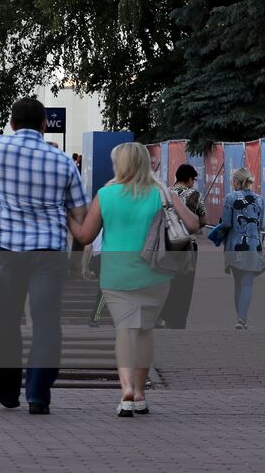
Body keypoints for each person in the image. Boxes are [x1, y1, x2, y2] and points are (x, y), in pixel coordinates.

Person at [70, 141, 199, 415]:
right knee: (144, 331)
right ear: (146, 163)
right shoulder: (161, 192)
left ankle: (126, 389)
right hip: (156, 272)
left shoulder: (106, 195)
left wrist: (67, 218)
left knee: (124, 331)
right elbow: (192, 224)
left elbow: (85, 237)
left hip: (116, 275)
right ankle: (140, 394)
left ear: (120, 164)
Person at [0, 97, 89, 415]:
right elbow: (81, 214)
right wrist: (74, 256)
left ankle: (5, 389)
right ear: (46, 125)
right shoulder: (64, 162)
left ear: (12, 124)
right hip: (49, 253)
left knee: (5, 321)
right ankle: (38, 393)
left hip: (7, 251)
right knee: (46, 323)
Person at [159, 164, 205, 329]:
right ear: (190, 179)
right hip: (187, 246)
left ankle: (162, 315)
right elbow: (203, 221)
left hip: (166, 242)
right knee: (184, 284)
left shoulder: (165, 193)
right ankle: (178, 320)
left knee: (166, 279)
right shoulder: (196, 195)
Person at [217, 166, 264, 330]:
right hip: (254, 246)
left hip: (234, 246)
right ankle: (242, 319)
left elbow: (227, 223)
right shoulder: (260, 199)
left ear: (236, 181)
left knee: (237, 283)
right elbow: (262, 225)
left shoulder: (230, 197)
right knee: (247, 284)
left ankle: (240, 319)